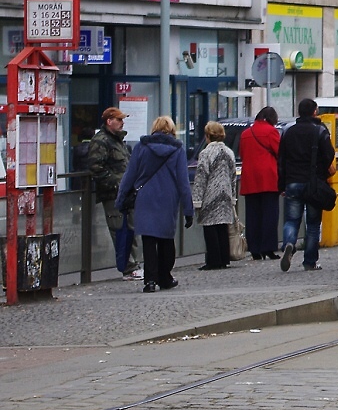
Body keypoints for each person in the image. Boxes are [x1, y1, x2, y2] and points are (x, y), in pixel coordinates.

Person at [116, 116, 193, 293]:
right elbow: (183, 182)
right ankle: (165, 276)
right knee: (166, 239)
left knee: (149, 240)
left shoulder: (141, 147)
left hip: (145, 198)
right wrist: (188, 210)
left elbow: (129, 176)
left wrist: (121, 200)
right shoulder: (177, 150)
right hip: (168, 199)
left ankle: (150, 281)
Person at [277, 98, 337, 272]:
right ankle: (310, 261)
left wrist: (282, 185)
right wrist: (323, 173)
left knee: (291, 220)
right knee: (312, 224)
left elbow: (281, 160)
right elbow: (329, 154)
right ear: (314, 112)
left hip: (292, 182)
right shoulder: (319, 130)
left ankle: (289, 243)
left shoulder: (288, 132)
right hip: (313, 183)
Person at [87, 107, 143, 281]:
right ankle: (128, 267)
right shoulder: (101, 141)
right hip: (113, 194)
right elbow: (96, 168)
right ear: (109, 121)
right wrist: (117, 185)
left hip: (127, 193)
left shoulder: (119, 141)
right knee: (120, 230)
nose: (122, 122)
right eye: (119, 120)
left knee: (132, 229)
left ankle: (134, 265)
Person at [193, 121, 238, 270]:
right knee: (223, 227)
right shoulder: (229, 152)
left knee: (210, 228)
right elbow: (233, 176)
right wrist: (233, 196)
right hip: (225, 195)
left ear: (208, 136)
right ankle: (224, 258)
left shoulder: (206, 153)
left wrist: (197, 200)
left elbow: (201, 177)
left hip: (211, 195)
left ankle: (213, 260)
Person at [239, 106, 282, 260]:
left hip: (250, 179)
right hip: (268, 178)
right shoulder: (271, 132)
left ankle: (255, 248)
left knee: (253, 215)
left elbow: (242, 154)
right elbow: (279, 152)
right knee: (269, 214)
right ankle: (268, 248)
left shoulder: (245, 134)